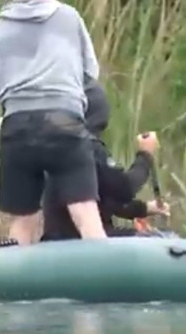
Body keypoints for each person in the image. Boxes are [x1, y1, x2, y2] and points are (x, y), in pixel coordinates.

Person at [0, 0, 106, 244]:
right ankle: (106, 280)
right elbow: (91, 73)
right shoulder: (69, 18)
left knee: (24, 221)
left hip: (18, 129)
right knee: (86, 213)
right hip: (66, 124)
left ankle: (15, 282)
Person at [40, 79, 170, 241]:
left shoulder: (55, 148)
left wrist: (144, 209)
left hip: (59, 240)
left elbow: (106, 198)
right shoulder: (87, 148)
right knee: (162, 239)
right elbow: (125, 188)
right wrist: (145, 155)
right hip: (86, 240)